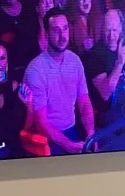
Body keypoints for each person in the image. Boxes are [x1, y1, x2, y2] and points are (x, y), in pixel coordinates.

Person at [23, 10, 93, 152]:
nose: (62, 36)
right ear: (47, 33)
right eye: (56, 31)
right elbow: (41, 121)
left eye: (65, 29)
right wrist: (67, 144)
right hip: (47, 138)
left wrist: (91, 134)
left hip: (73, 129)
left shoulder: (75, 60)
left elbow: (84, 102)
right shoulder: (35, 70)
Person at [86, 7, 125, 128]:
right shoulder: (94, 54)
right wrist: (119, 63)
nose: (111, 35)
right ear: (102, 29)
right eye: (108, 30)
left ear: (120, 30)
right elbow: (105, 93)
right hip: (107, 116)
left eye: (114, 30)